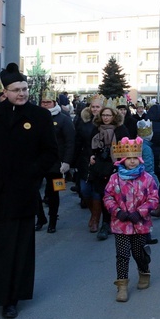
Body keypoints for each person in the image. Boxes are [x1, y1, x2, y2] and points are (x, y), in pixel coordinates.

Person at [0, 63, 58, 319]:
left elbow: (50, 152)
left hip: (23, 191)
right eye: (16, 89)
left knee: (20, 246)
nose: (22, 93)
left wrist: (31, 172)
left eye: (24, 88)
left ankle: (13, 298)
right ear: (4, 91)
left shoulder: (39, 116)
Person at [103, 137, 160, 302]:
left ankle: (144, 271)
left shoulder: (147, 178)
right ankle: (122, 285)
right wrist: (117, 211)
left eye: (135, 158)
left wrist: (141, 212)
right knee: (122, 255)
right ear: (123, 160)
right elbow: (108, 196)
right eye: (129, 159)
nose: (132, 162)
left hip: (139, 223)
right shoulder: (115, 179)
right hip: (120, 223)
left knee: (139, 252)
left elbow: (154, 199)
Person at [36, 89, 75, 233]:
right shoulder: (35, 118)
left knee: (54, 193)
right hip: (38, 162)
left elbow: (70, 142)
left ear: (54, 102)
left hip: (56, 164)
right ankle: (40, 218)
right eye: (43, 102)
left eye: (48, 102)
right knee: (33, 191)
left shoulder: (63, 119)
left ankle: (53, 220)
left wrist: (67, 162)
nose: (45, 104)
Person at [89, 104, 129, 239]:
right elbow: (89, 145)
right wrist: (91, 155)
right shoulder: (96, 129)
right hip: (99, 165)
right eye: (104, 115)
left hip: (116, 165)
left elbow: (126, 147)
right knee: (101, 194)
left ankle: (115, 220)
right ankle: (105, 223)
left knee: (115, 195)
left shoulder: (121, 129)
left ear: (114, 116)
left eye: (108, 115)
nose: (106, 118)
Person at [74, 95, 103, 230]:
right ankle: (94, 214)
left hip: (101, 160)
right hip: (84, 159)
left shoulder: (107, 121)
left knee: (97, 190)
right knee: (84, 190)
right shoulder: (83, 121)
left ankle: (95, 219)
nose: (95, 109)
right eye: (93, 106)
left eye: (97, 107)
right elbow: (77, 141)